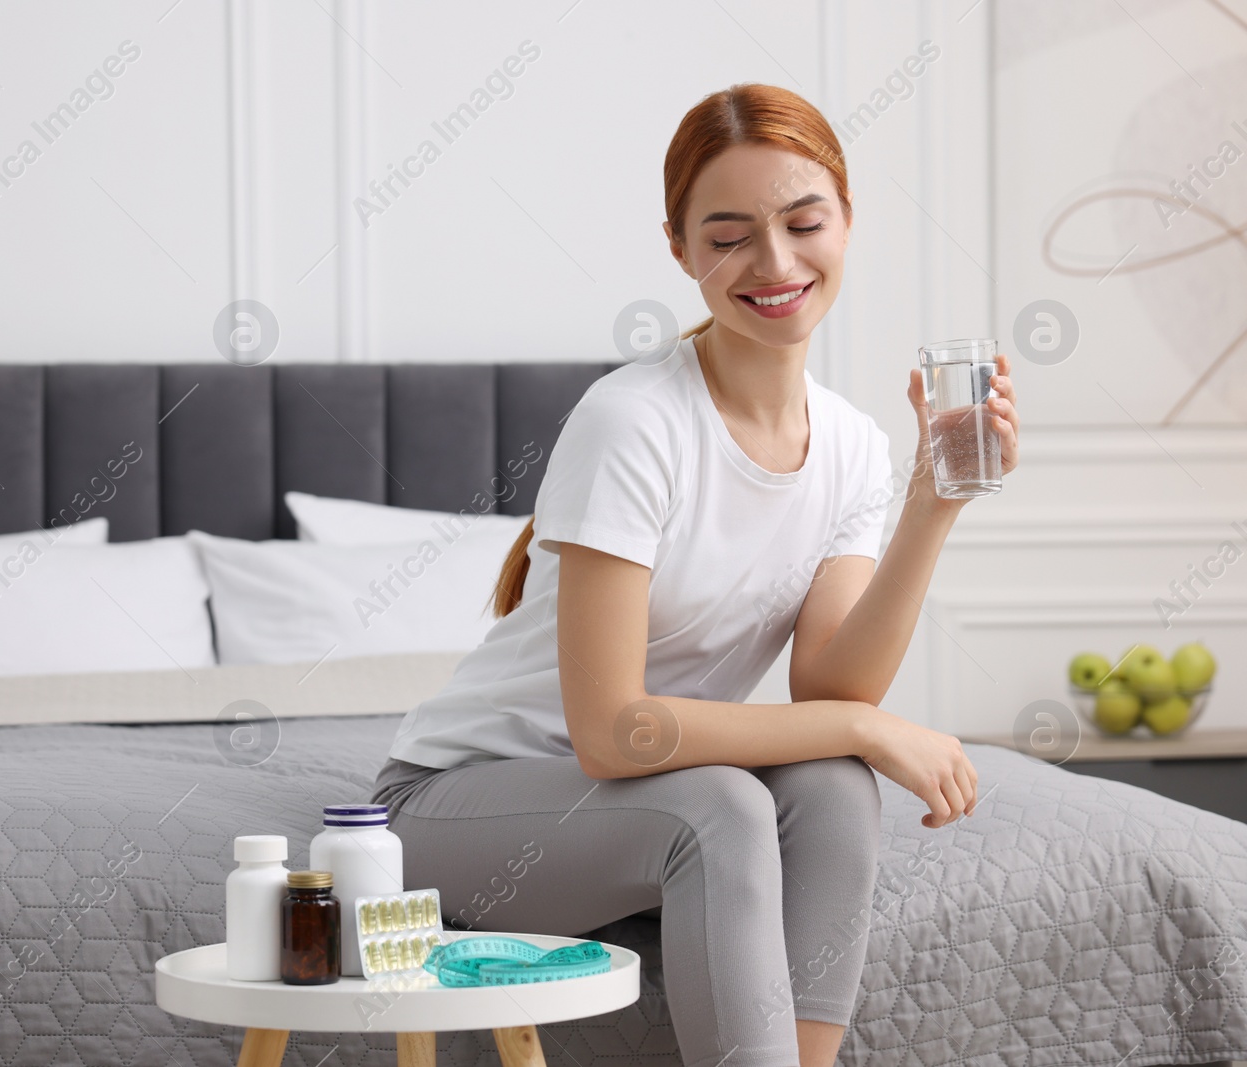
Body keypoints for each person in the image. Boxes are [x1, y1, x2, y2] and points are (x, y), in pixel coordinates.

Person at [368, 82, 1021, 1067]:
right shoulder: (632, 421)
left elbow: (832, 687)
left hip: (637, 798)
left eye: (805, 222)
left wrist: (931, 501)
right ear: (679, 250)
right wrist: (862, 725)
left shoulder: (849, 441)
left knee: (836, 788)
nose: (774, 263)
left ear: (846, 221)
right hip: (449, 807)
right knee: (716, 804)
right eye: (728, 236)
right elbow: (612, 729)